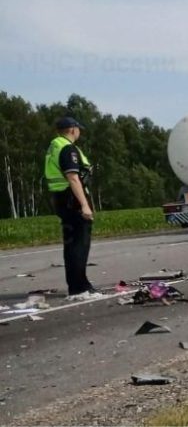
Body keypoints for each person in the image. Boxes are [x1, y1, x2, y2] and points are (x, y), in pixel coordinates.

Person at [44, 116, 103, 300]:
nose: (79, 132)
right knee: (79, 243)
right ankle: (80, 286)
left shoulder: (54, 146)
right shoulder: (67, 148)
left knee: (71, 244)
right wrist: (85, 205)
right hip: (71, 198)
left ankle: (75, 285)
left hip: (60, 198)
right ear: (72, 130)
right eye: (78, 129)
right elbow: (73, 177)